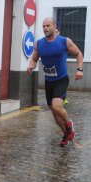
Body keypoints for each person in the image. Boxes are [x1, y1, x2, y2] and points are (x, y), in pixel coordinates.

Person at [27, 17, 83, 146]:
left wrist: (80, 69)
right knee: (55, 115)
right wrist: (31, 65)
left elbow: (78, 54)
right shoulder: (39, 44)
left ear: (54, 26)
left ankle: (69, 124)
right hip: (49, 81)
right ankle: (66, 133)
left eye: (48, 25)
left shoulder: (64, 41)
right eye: (43, 26)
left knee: (57, 106)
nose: (45, 28)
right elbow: (34, 59)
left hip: (61, 79)